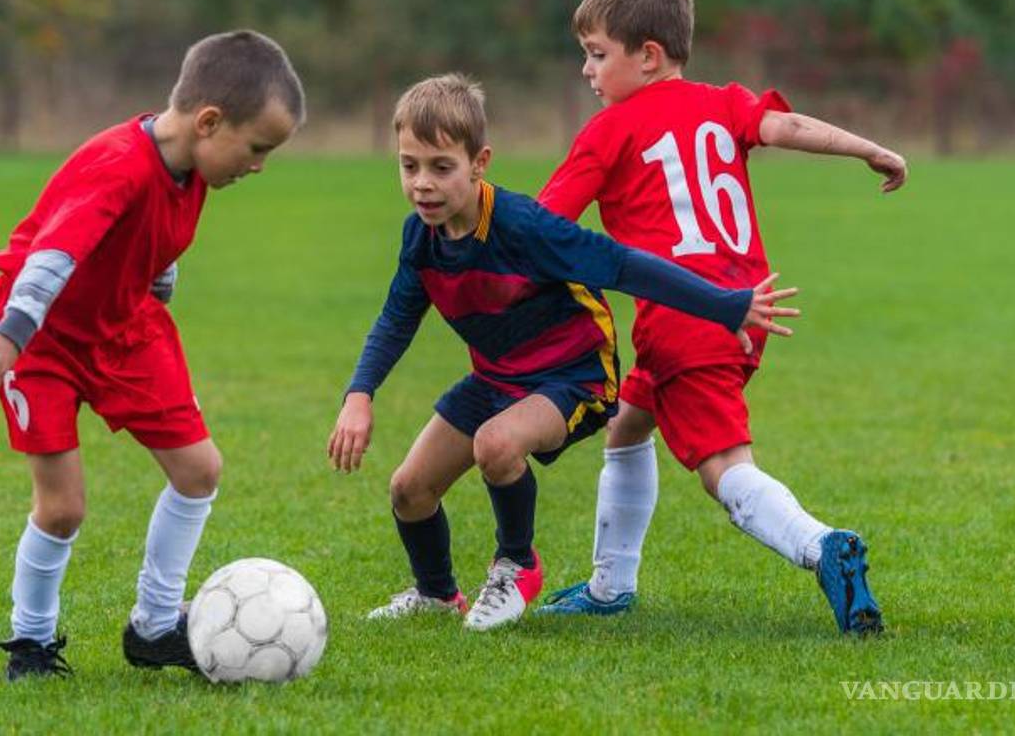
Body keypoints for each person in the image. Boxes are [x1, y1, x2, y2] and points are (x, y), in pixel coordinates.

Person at [327, 73, 799, 631]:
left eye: (441, 167)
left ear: (479, 163)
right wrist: (359, 395)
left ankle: (516, 565)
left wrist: (726, 304)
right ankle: (436, 594)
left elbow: (624, 266)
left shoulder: (523, 226)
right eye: (410, 166)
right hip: (498, 378)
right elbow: (396, 319)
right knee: (409, 490)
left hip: (575, 376)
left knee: (496, 443)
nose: (422, 184)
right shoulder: (421, 239)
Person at [534, 0, 906, 634]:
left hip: (684, 318)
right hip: (746, 305)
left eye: (597, 54)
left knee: (725, 468)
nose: (587, 70)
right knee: (628, 424)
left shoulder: (609, 131)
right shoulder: (724, 102)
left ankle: (822, 545)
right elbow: (788, 127)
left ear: (648, 56)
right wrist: (868, 149)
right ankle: (611, 586)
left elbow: (542, 226)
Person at [0, 30, 304, 680]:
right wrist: (13, 332)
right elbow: (54, 254)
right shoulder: (117, 165)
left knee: (199, 470)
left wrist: (157, 284)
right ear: (209, 122)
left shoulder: (192, 169)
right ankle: (31, 642)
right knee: (62, 508)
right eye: (257, 147)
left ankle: (155, 627)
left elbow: (153, 238)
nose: (259, 165)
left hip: (125, 327)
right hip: (43, 334)